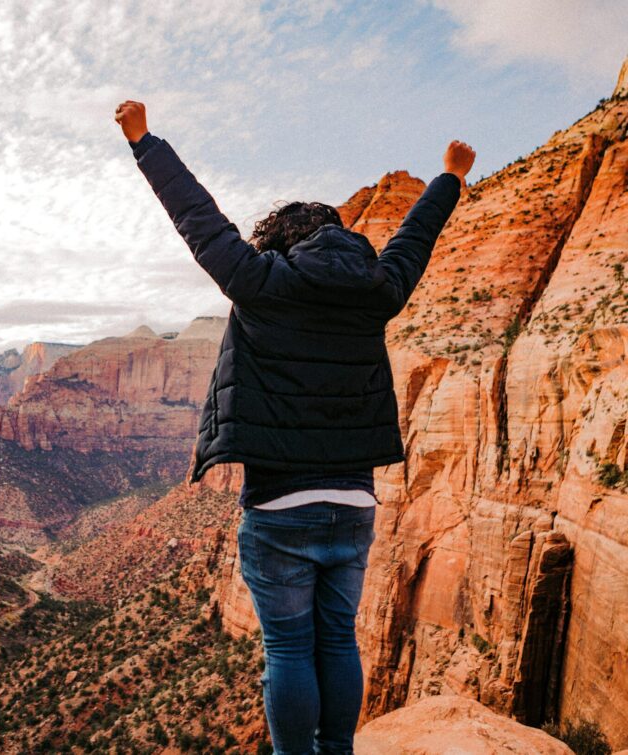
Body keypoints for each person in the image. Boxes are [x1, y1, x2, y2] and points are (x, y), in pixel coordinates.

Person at [115, 100, 474, 754]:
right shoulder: (377, 290)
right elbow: (413, 242)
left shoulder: (259, 281)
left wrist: (144, 141)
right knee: (337, 638)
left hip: (281, 504)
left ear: (278, 240)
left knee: (287, 647)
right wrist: (448, 177)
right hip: (353, 502)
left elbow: (199, 218)